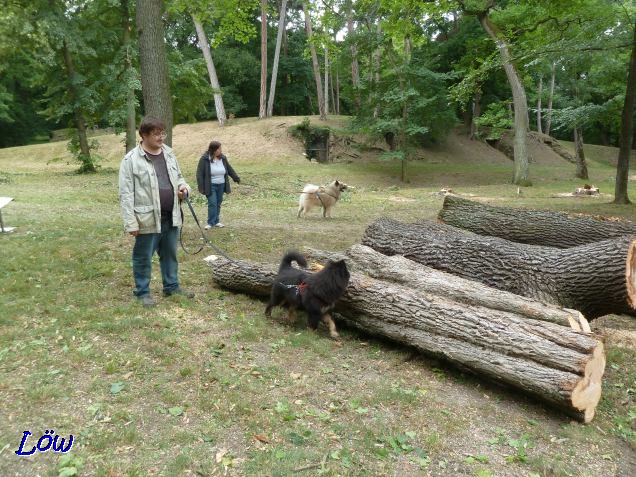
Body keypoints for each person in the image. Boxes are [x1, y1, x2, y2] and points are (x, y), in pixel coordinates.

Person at [118, 116, 194, 307]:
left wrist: (184, 187)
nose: (161, 137)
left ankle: (172, 287)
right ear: (143, 135)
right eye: (156, 133)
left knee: (170, 255)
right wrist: (131, 222)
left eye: (163, 133)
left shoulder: (169, 153)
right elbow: (126, 194)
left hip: (171, 215)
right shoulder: (131, 160)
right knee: (143, 257)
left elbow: (179, 177)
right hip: (147, 219)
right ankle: (142, 292)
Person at [196, 141, 240, 229]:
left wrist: (235, 177)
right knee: (212, 203)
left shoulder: (223, 158)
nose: (220, 150)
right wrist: (201, 187)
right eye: (219, 149)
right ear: (214, 149)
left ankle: (216, 221)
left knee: (218, 203)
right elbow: (199, 174)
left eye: (220, 149)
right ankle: (210, 222)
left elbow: (229, 168)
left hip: (221, 184)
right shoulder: (205, 159)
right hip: (210, 185)